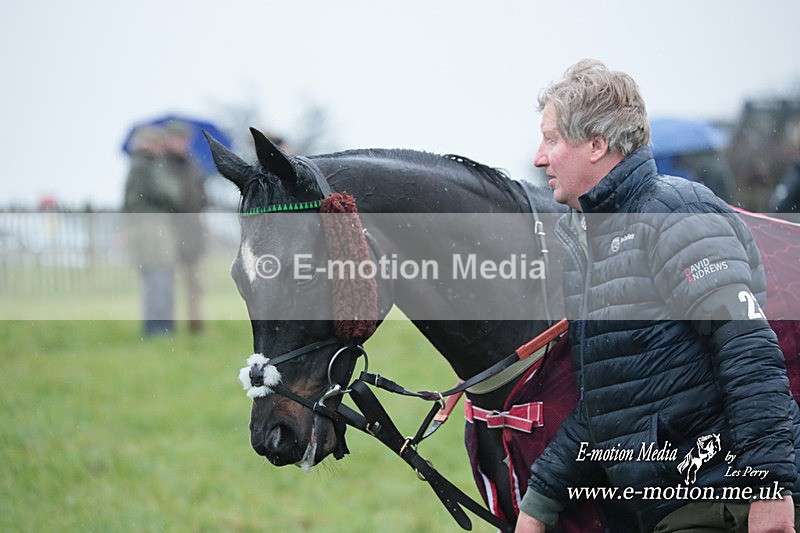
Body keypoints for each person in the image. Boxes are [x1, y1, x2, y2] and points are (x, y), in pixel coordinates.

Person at [516, 59, 800, 533]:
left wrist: (769, 493)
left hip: (723, 501)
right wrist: (539, 501)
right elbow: (609, 402)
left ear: (596, 145)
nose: (540, 157)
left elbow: (749, 353)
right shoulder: (592, 243)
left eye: (552, 139)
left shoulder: (675, 214)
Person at [122, 125, 182, 336]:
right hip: (150, 230)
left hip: (152, 227)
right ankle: (158, 329)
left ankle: (160, 327)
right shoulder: (144, 167)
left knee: (159, 279)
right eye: (157, 142)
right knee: (158, 279)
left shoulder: (145, 165)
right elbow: (169, 193)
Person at [162, 120, 208, 333]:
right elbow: (169, 197)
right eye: (179, 139)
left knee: (195, 282)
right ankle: (166, 327)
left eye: (185, 140)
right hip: (169, 229)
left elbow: (199, 194)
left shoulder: (192, 164)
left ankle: (196, 324)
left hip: (193, 229)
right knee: (166, 281)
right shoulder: (161, 164)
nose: (183, 144)